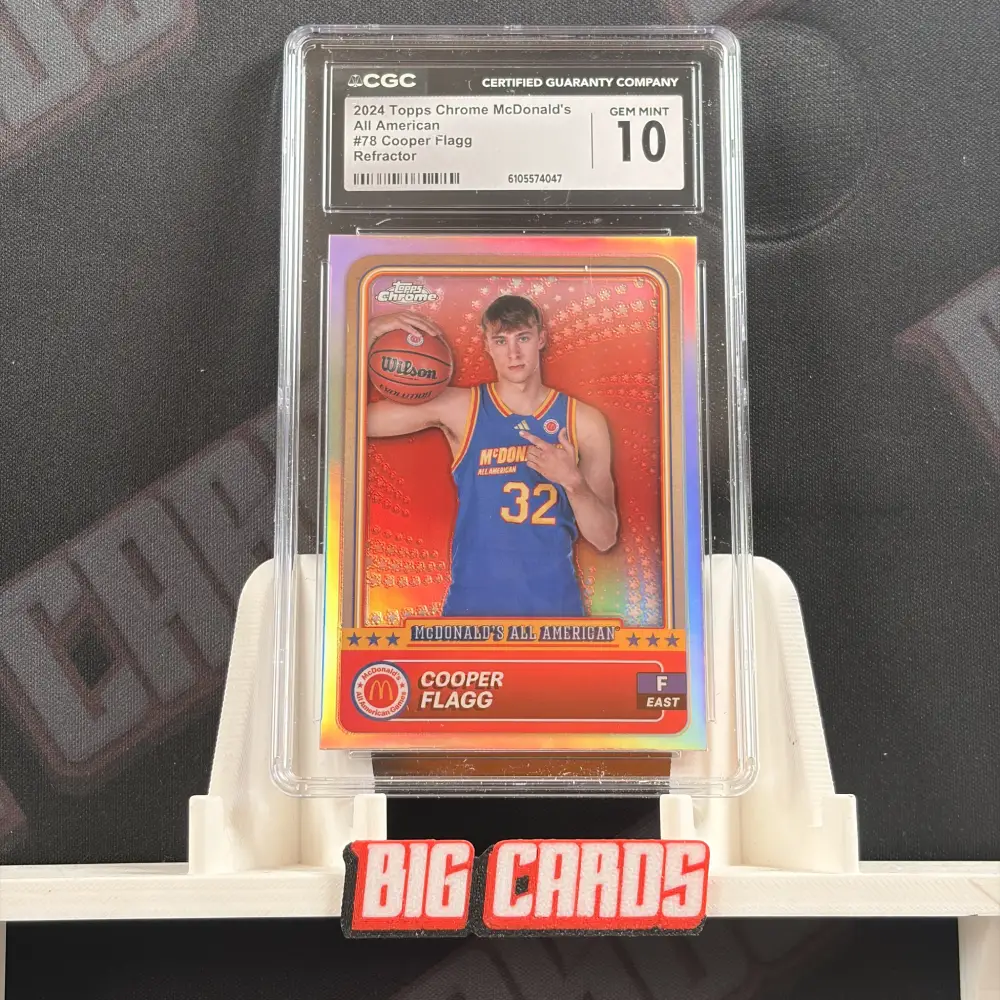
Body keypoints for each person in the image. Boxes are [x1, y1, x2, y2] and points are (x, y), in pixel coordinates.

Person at [366, 294, 618, 617]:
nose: (513, 353)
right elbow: (354, 422)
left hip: (555, 616)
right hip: (472, 614)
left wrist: (573, 483)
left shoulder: (583, 422)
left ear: (541, 339)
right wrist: (368, 334)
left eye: (522, 338)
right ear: (486, 345)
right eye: (501, 341)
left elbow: (605, 538)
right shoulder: (461, 408)